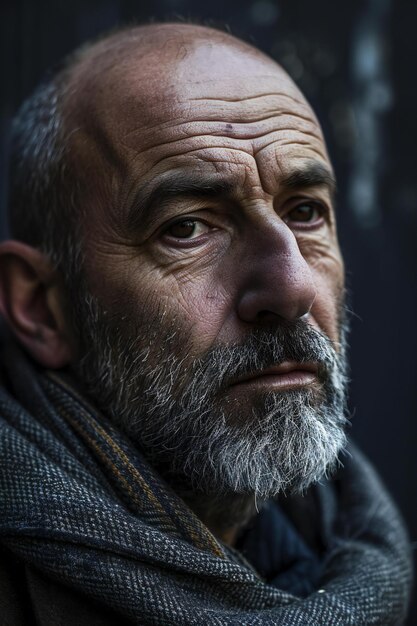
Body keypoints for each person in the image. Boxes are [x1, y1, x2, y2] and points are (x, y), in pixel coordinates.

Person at [0, 22, 412, 625]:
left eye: (304, 212)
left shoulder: (355, 549)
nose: (292, 287)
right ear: (40, 306)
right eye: (187, 227)